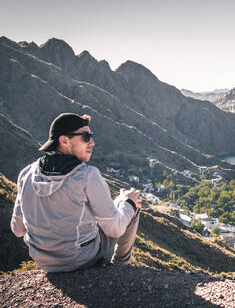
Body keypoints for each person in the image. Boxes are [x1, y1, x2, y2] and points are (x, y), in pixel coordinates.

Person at [10, 113, 142, 272]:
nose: (92, 142)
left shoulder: (26, 174)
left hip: (43, 261)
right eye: (86, 137)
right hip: (83, 259)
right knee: (129, 202)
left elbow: (18, 230)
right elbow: (115, 229)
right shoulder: (87, 176)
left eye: (91, 136)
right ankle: (120, 268)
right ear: (64, 141)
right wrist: (129, 203)